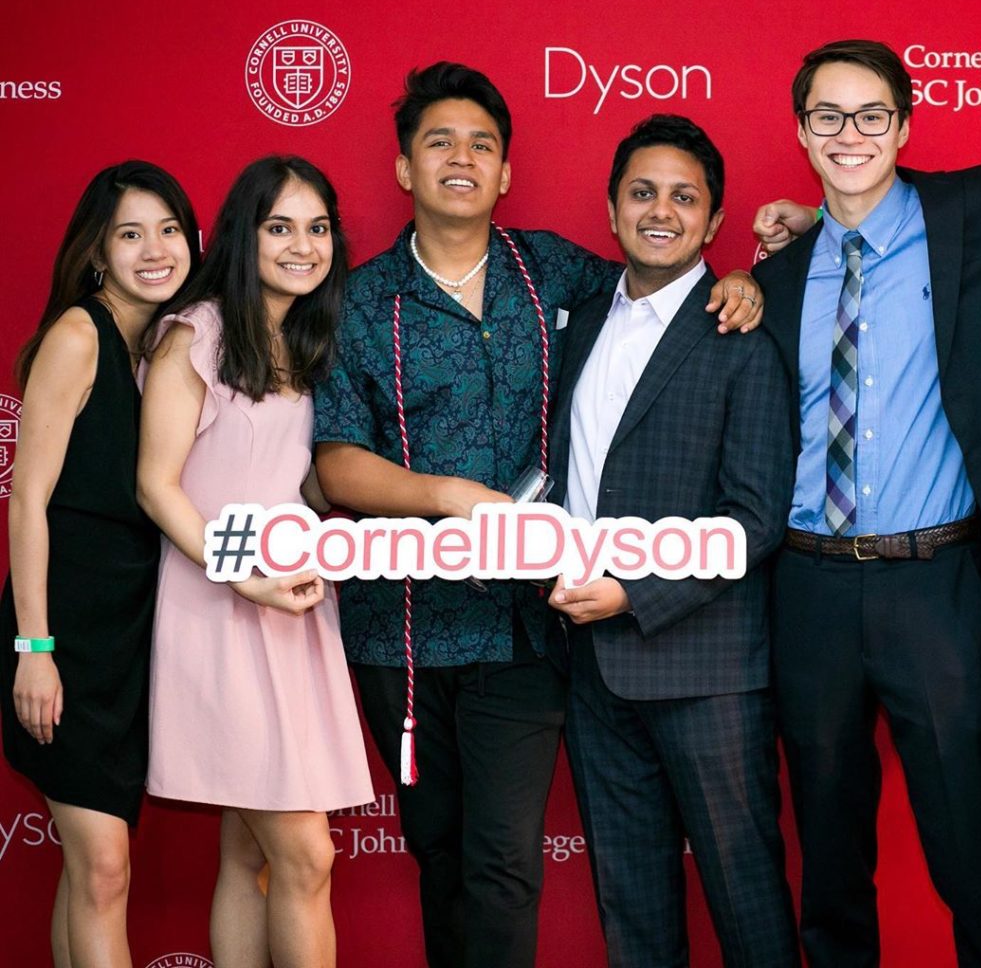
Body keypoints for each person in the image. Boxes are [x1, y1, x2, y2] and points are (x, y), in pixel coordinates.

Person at [313, 61, 764, 968]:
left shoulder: (556, 270)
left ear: (506, 172)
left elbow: (666, 280)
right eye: (439, 141)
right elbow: (332, 464)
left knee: (506, 864)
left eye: (482, 144)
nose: (461, 158)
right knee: (437, 853)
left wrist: (747, 279)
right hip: (399, 628)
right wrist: (447, 497)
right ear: (405, 168)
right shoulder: (357, 301)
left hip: (526, 630)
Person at [750, 39, 981, 967]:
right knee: (827, 846)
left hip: (934, 580)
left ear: (905, 126)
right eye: (828, 116)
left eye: (872, 115)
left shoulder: (980, 211)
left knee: (969, 840)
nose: (850, 134)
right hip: (809, 588)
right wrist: (800, 228)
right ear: (801, 131)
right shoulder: (779, 276)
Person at [546, 114, 797, 967]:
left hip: (707, 670)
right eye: (643, 193)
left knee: (747, 899)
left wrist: (634, 591)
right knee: (634, 909)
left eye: (684, 197)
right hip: (591, 667)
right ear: (612, 208)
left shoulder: (741, 337)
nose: (662, 211)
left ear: (714, 221)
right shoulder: (578, 321)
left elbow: (755, 518)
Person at [137, 155, 373, 968]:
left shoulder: (302, 338)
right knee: (308, 855)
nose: (303, 246)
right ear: (244, 235)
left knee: (249, 854)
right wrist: (245, 576)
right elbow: (158, 486)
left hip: (293, 608)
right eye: (281, 228)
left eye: (317, 228)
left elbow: (291, 479)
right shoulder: (194, 333)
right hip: (221, 609)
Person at [0, 161, 200, 968]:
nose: (154, 249)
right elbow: (27, 503)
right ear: (97, 252)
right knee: (106, 868)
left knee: (93, 874)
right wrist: (34, 649)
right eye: (129, 233)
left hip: (127, 641)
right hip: (62, 642)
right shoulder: (79, 336)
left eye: (168, 229)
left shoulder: (156, 347)